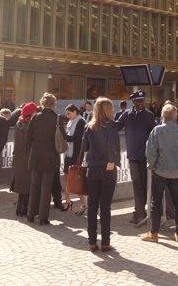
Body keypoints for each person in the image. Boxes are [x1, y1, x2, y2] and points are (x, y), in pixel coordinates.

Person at [142, 103, 178, 243]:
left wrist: (151, 166)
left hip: (160, 171)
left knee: (156, 201)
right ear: (176, 116)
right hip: (176, 172)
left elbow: (150, 153)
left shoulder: (156, 131)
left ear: (162, 117)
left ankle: (154, 232)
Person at [81, 97, 120, 252]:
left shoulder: (88, 126)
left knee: (92, 206)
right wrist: (111, 162)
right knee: (105, 206)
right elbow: (112, 144)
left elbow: (84, 147)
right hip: (107, 168)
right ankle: (105, 242)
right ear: (109, 109)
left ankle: (91, 241)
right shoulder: (112, 125)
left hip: (92, 168)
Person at [117, 90, 156, 224]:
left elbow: (154, 134)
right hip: (132, 156)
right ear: (133, 101)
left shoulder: (149, 116)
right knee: (136, 183)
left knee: (144, 184)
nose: (141, 103)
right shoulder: (126, 115)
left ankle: (141, 211)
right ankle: (139, 212)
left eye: (142, 101)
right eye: (138, 101)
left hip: (145, 156)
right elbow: (116, 126)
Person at [26, 92, 62, 225]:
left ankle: (30, 214)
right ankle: (43, 217)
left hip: (36, 154)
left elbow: (28, 137)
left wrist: (36, 145)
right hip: (51, 155)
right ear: (53, 104)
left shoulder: (36, 117)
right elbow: (62, 136)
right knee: (46, 187)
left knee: (35, 185)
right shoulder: (57, 118)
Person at [11, 101, 36, 216]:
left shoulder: (19, 123)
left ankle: (20, 208)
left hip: (19, 157)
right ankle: (23, 209)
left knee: (22, 185)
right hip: (27, 157)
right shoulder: (29, 125)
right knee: (27, 185)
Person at [62, 104, 86, 214]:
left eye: (69, 113)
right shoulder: (72, 121)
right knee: (66, 177)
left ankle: (83, 204)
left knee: (76, 178)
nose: (67, 116)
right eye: (66, 114)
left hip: (76, 153)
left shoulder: (81, 122)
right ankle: (67, 201)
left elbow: (77, 138)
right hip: (69, 153)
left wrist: (64, 136)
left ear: (75, 112)